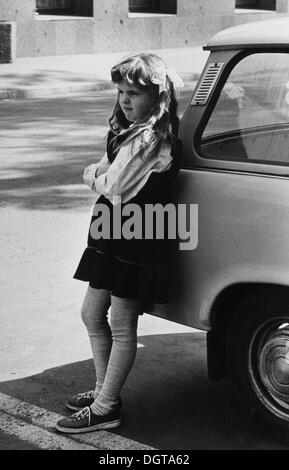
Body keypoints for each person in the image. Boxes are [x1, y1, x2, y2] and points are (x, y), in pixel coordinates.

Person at [55, 52, 183, 434]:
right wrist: (103, 173)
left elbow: (115, 187)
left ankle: (107, 406)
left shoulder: (150, 137)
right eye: (121, 92)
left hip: (138, 235)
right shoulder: (127, 128)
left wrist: (92, 175)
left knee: (121, 322)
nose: (125, 100)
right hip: (115, 231)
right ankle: (102, 390)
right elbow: (109, 173)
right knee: (92, 314)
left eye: (135, 94)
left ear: (157, 98)